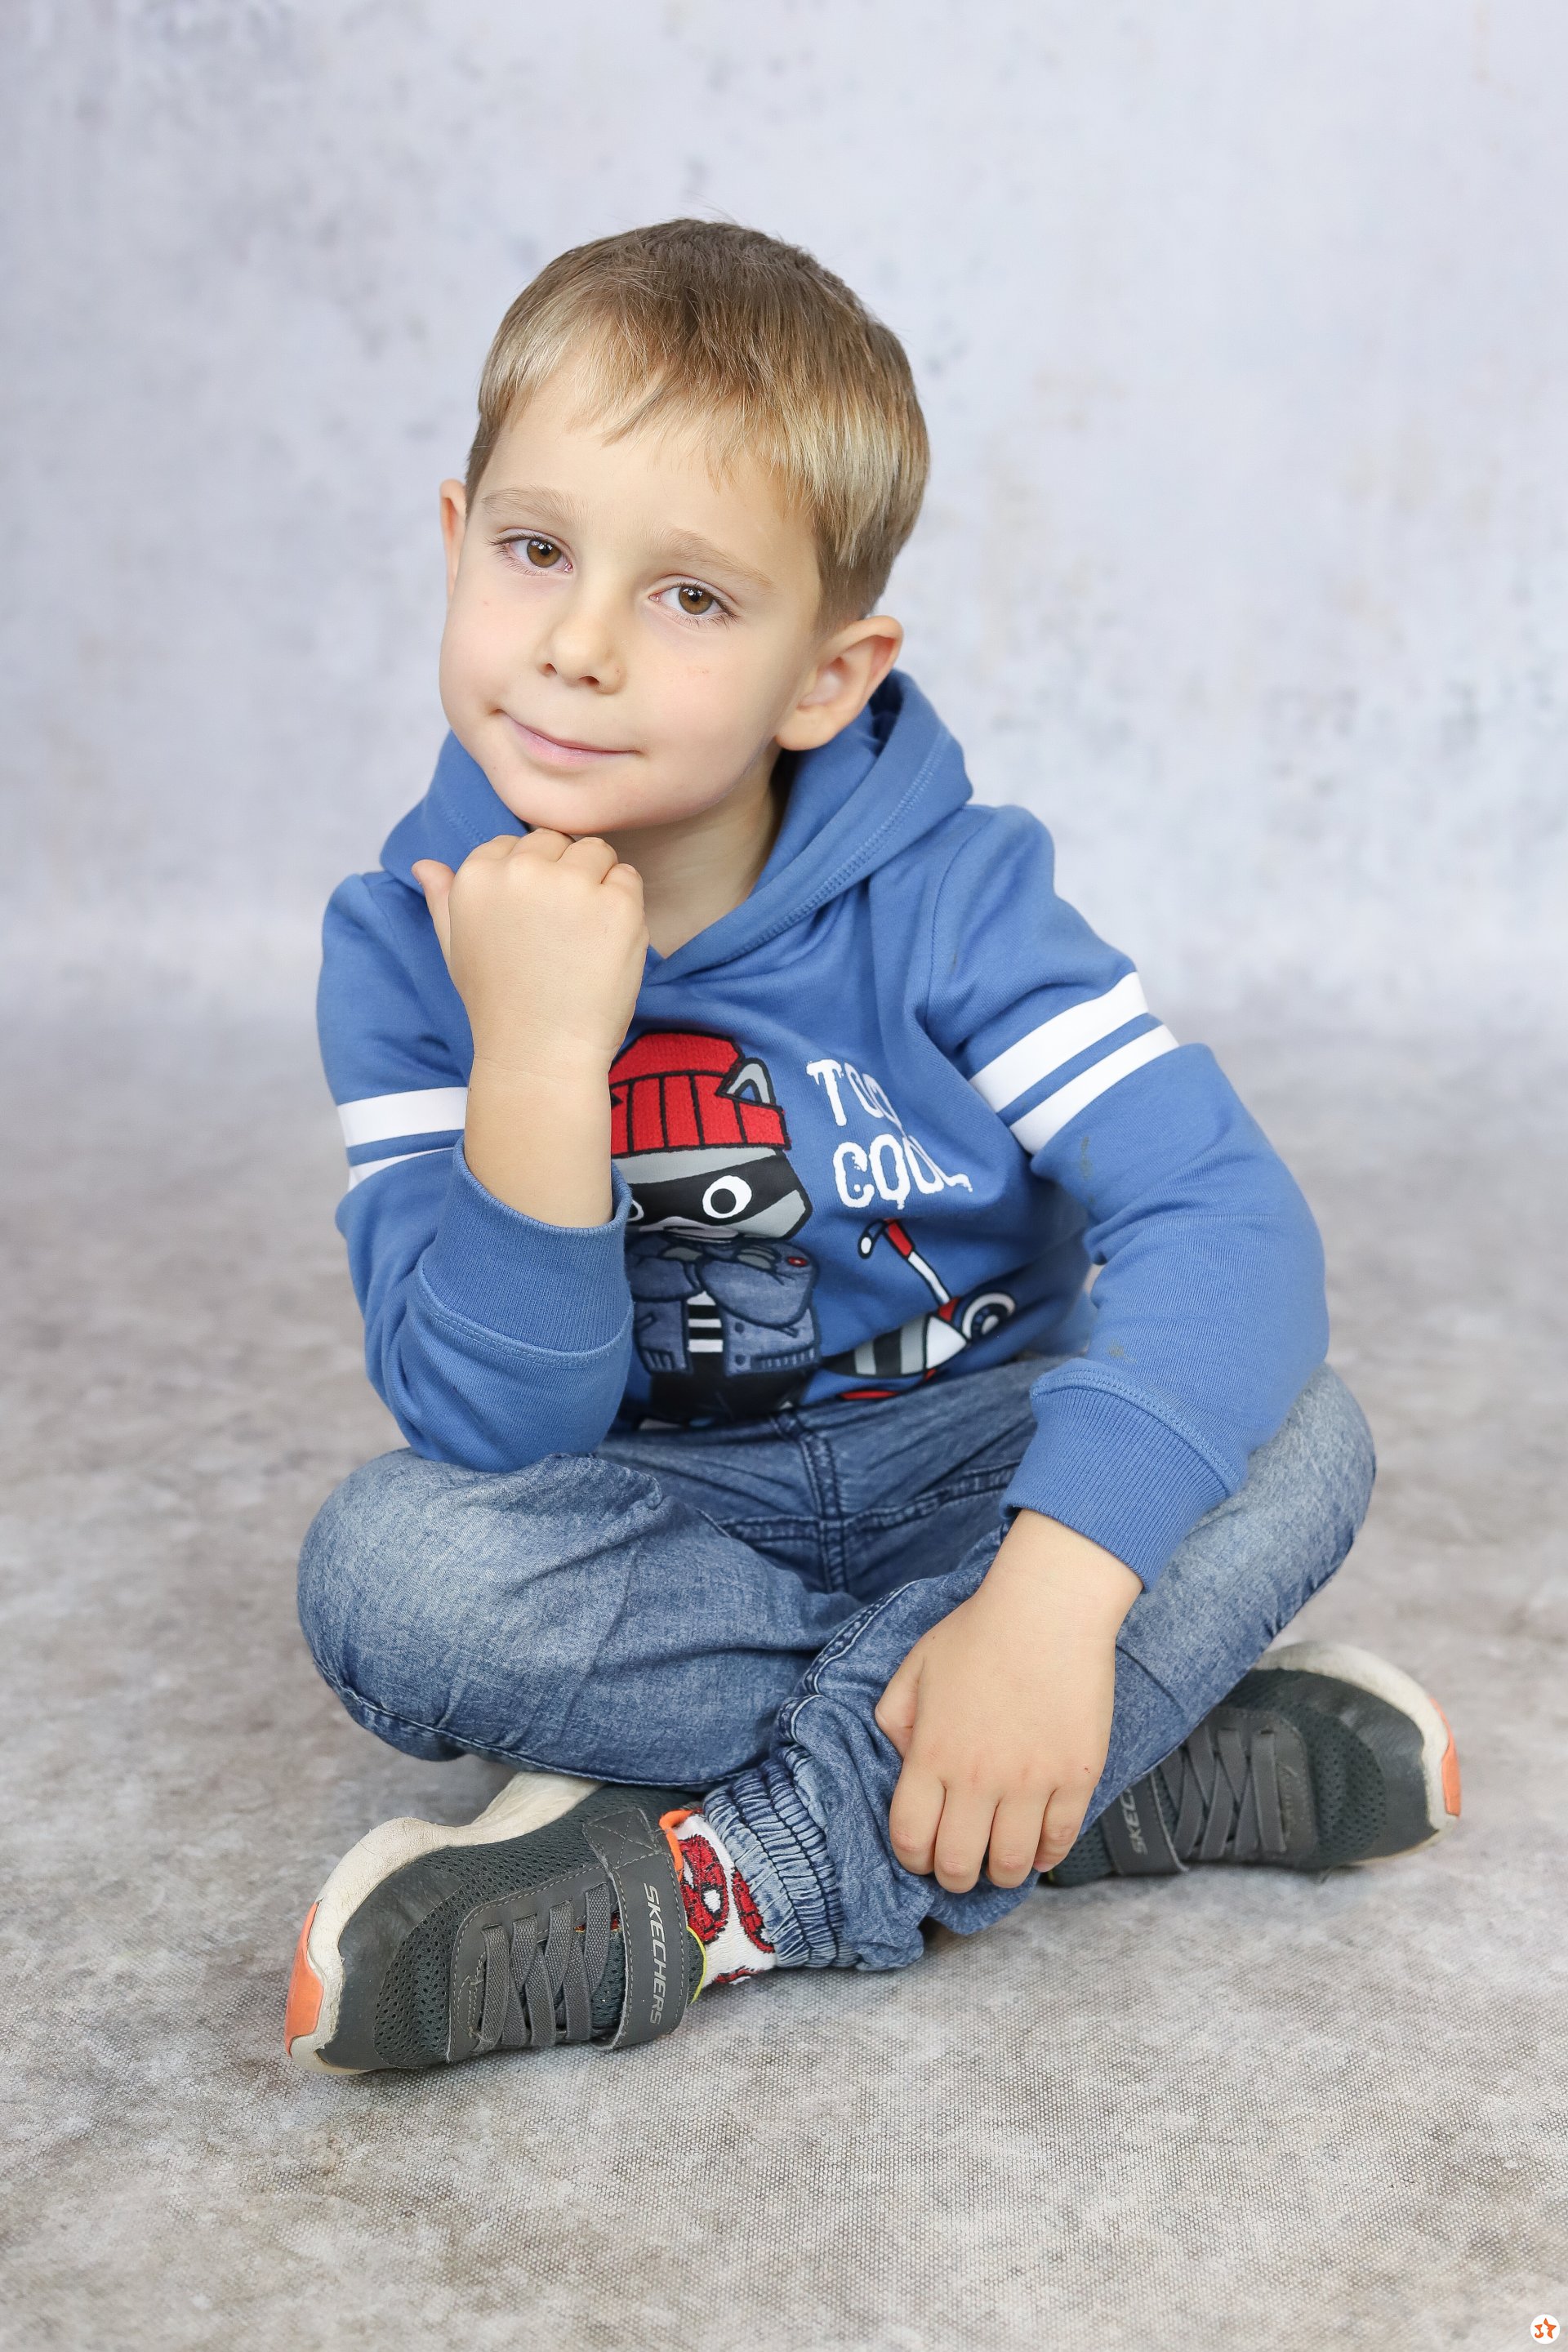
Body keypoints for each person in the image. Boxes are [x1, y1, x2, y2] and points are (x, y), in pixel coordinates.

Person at [285, 221, 1460, 2074]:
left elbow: (1226, 1221)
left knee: (1302, 1432)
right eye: (536, 552)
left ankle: (748, 1871)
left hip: (978, 1472)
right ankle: (1071, 1770)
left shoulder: (953, 895)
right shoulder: (408, 937)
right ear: (456, 541)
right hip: (665, 1522)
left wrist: (1051, 1602)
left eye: (692, 597)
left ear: (825, 678)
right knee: (389, 1579)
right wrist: (540, 1058)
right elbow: (495, 1430)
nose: (577, 645)